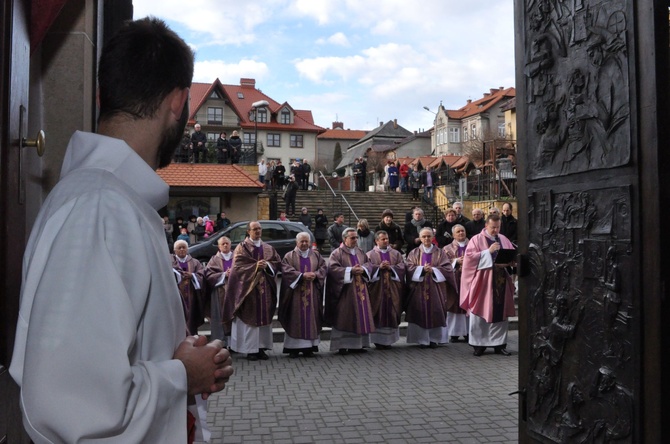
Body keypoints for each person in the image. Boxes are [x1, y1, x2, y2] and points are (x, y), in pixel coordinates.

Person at [9, 18, 232, 443]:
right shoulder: (99, 207)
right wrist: (181, 375)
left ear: (101, 96)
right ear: (178, 102)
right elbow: (74, 408)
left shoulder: (113, 200)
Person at [222, 221, 281, 361]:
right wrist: (255, 267)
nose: (258, 231)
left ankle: (261, 348)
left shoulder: (268, 248)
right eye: (255, 229)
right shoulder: (242, 248)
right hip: (247, 291)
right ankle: (250, 350)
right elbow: (238, 267)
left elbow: (277, 263)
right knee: (249, 319)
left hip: (264, 289)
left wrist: (267, 265)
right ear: (248, 231)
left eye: (259, 229)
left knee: (263, 318)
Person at [460, 214, 516, 356]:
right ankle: (479, 345)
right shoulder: (476, 239)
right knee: (480, 312)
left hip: (501, 281)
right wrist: (487, 252)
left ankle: (499, 344)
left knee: (500, 313)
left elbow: (510, 256)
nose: (495, 230)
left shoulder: (503, 239)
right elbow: (469, 259)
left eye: (498, 227)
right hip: (483, 283)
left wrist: (510, 263)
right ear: (486, 226)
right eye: (493, 228)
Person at [405, 227, 457, 348]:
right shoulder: (414, 253)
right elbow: (408, 268)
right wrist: (422, 270)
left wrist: (433, 270)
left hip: (436, 289)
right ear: (420, 238)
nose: (427, 239)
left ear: (433, 237)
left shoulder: (440, 252)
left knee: (436, 311)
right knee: (419, 312)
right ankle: (421, 340)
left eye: (429, 236)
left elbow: (447, 268)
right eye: (424, 236)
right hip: (419, 289)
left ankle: (434, 339)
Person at [325, 227, 375, 354]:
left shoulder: (360, 252)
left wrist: (363, 269)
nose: (355, 240)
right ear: (344, 239)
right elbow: (332, 269)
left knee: (361, 315)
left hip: (361, 290)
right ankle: (342, 345)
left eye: (356, 237)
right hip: (345, 292)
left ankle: (359, 345)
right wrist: (350, 271)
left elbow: (369, 264)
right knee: (345, 316)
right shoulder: (337, 253)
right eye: (352, 238)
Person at [279, 232, 327, 358]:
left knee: (311, 317)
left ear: (310, 242)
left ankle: (309, 347)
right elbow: (286, 270)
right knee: (295, 317)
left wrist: (316, 275)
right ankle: (293, 348)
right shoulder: (289, 256)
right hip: (295, 294)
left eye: (307, 241)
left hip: (312, 293)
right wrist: (301, 276)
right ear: (297, 242)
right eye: (302, 241)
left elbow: (323, 267)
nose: (305, 244)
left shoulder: (316, 255)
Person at [366, 231, 406, 349]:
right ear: (376, 241)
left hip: (392, 289)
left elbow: (402, 267)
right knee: (378, 312)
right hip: (377, 290)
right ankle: (378, 341)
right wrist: (378, 268)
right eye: (383, 239)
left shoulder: (396, 254)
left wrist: (391, 268)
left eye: (387, 239)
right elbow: (367, 268)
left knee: (392, 311)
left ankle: (389, 340)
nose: (386, 241)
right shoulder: (369, 254)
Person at [442, 224, 469, 343]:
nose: (461, 233)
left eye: (462, 231)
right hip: (455, 282)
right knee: (454, 306)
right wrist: (456, 261)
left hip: (469, 281)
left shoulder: (473, 245)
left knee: (468, 305)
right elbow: (443, 263)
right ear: (453, 234)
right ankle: (454, 333)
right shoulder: (447, 248)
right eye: (458, 232)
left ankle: (469, 332)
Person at [172, 240, 206, 335]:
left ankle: (192, 338)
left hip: (191, 296)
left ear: (187, 249)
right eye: (179, 248)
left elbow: (202, 275)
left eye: (184, 247)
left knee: (191, 319)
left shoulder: (195, 262)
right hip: (176, 297)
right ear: (175, 250)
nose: (182, 249)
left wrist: (193, 276)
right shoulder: (171, 262)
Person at [204, 236, 234, 343]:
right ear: (219, 246)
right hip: (219, 292)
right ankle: (222, 342)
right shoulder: (214, 260)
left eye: (227, 243)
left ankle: (235, 343)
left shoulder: (237, 257)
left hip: (235, 292)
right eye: (223, 244)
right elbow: (208, 275)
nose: (225, 245)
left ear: (230, 245)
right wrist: (224, 274)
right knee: (219, 317)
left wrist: (234, 274)